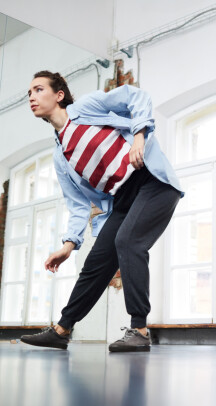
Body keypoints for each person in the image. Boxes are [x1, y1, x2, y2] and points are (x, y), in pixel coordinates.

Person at [21, 71, 183, 352]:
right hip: (123, 198)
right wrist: (68, 245)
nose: (32, 97)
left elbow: (136, 96)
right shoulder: (61, 156)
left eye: (38, 90)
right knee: (97, 262)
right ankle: (62, 330)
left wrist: (139, 138)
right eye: (29, 94)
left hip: (151, 181)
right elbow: (78, 204)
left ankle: (140, 330)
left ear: (59, 95)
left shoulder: (84, 109)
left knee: (128, 242)